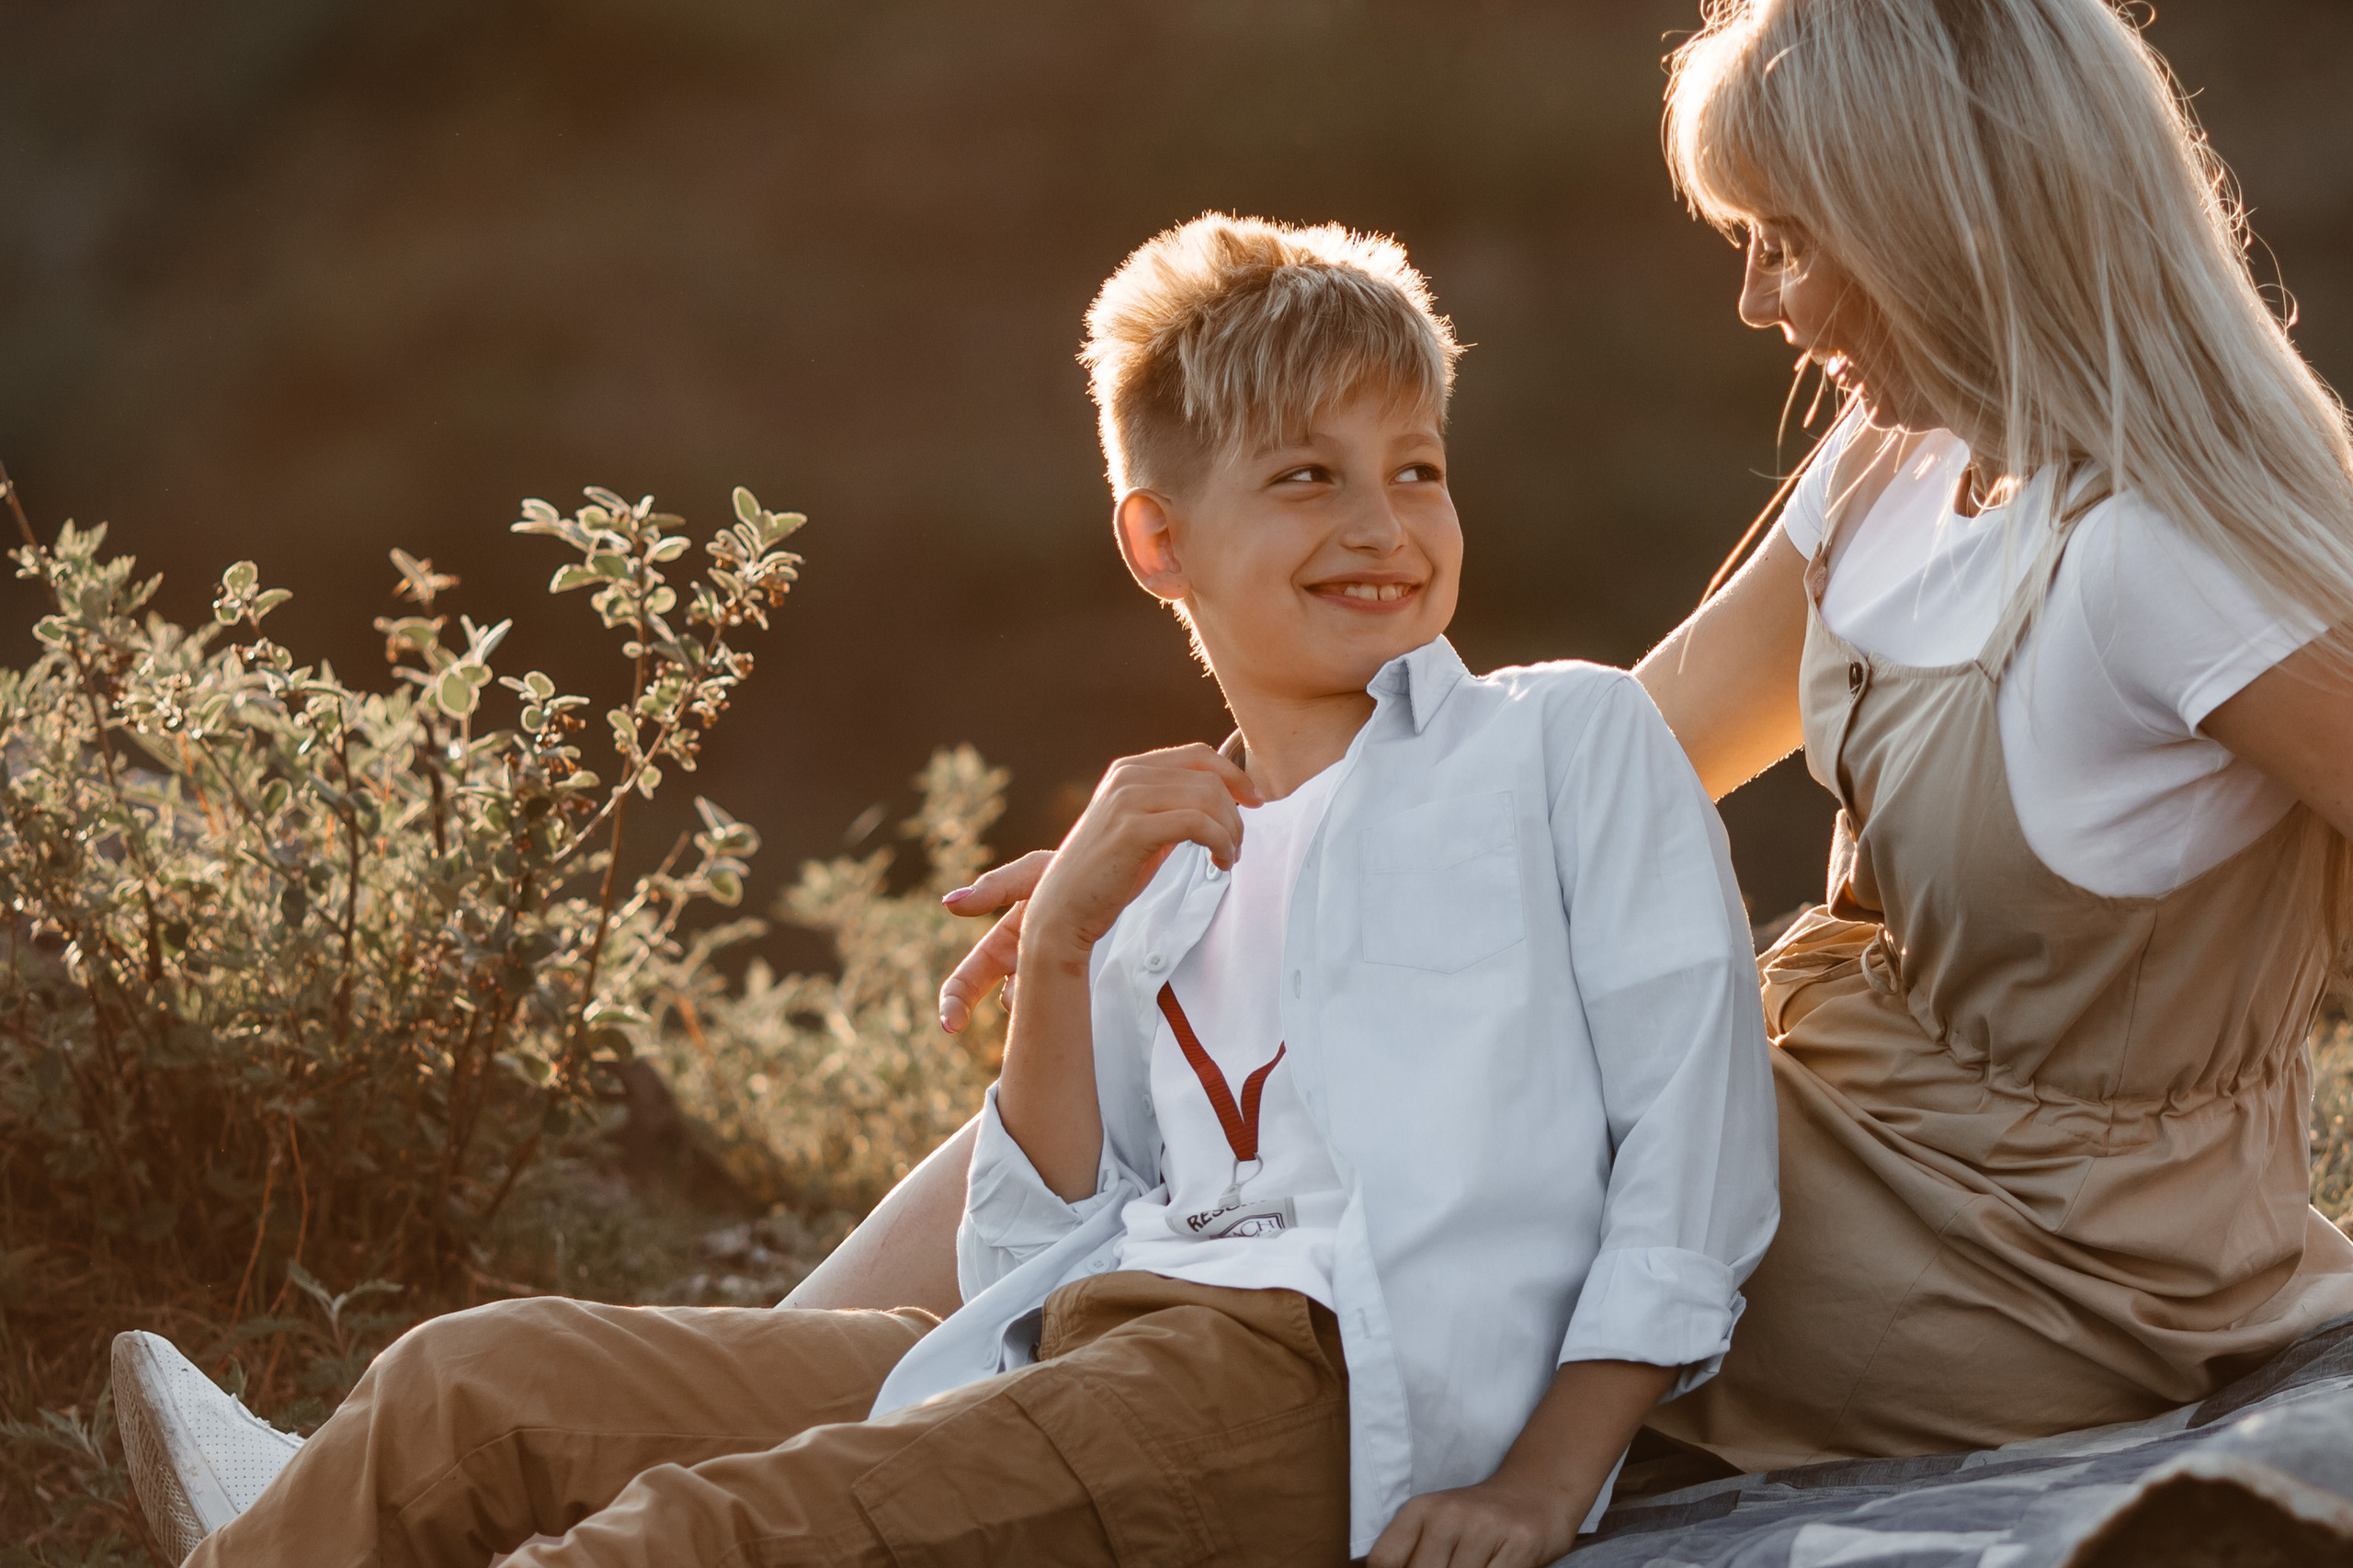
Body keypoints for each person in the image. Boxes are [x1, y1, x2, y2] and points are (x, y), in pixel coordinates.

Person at [807, 0, 2353, 1477]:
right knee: (1201, 1019)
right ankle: (774, 1379)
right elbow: (1579, 772)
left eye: (1790, 241)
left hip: (2012, 1263)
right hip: (1825, 1128)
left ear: (1933, 223)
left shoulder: (2165, 563)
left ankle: (783, 1414)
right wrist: (1219, 848)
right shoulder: (1894, 465)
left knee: (1338, 1183)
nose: (1759, 299)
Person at [117, 214, 1778, 1568]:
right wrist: (1061, 949)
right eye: (1305, 476)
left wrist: (1548, 1479)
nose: (1385, 525)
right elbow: (1030, 1248)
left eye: (1416, 467)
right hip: (1091, 1341)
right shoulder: (1160, 849)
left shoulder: (1562, 741)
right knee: (468, 1386)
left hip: (1329, 1386)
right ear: (1158, 542)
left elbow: (1691, 1144)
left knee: (695, 1541)